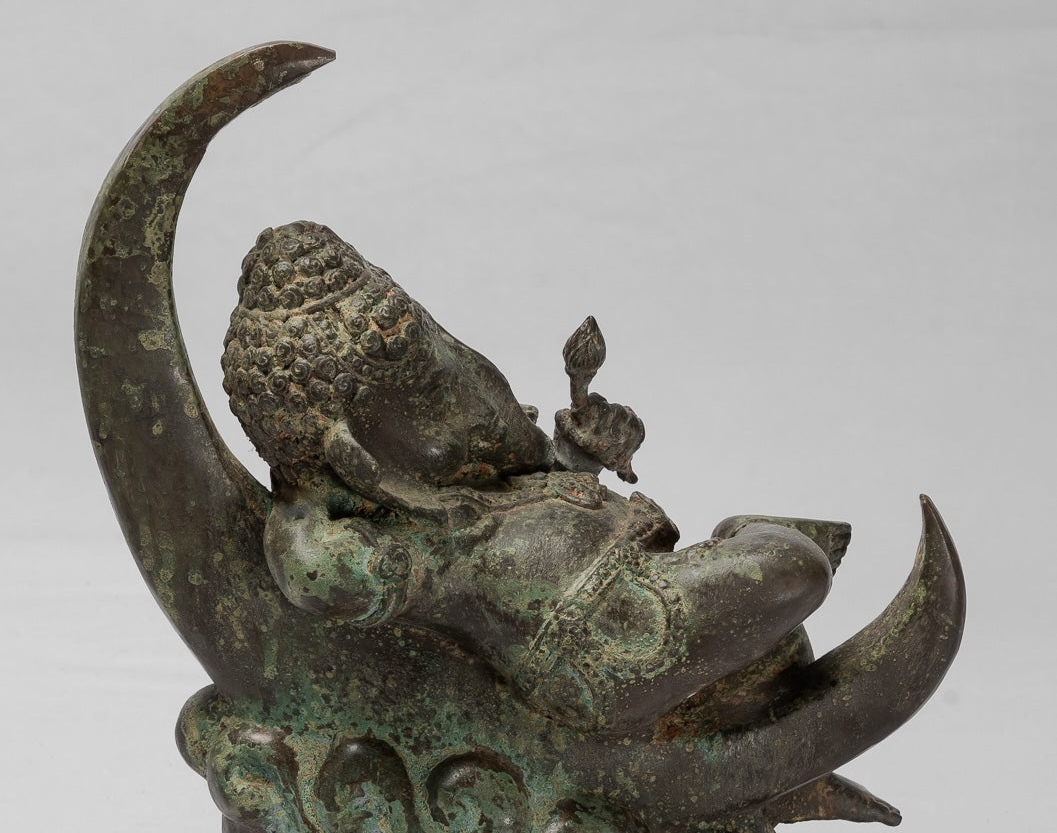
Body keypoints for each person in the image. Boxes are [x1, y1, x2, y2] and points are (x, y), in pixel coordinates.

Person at [223, 222, 848, 733]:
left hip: (633, 583)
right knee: (795, 567)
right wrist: (303, 492)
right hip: (596, 641)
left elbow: (526, 482)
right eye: (431, 394)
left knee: (784, 633)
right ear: (356, 453)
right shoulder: (376, 537)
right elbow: (313, 574)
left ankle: (742, 673)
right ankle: (744, 544)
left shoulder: (446, 482)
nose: (474, 393)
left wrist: (576, 453)